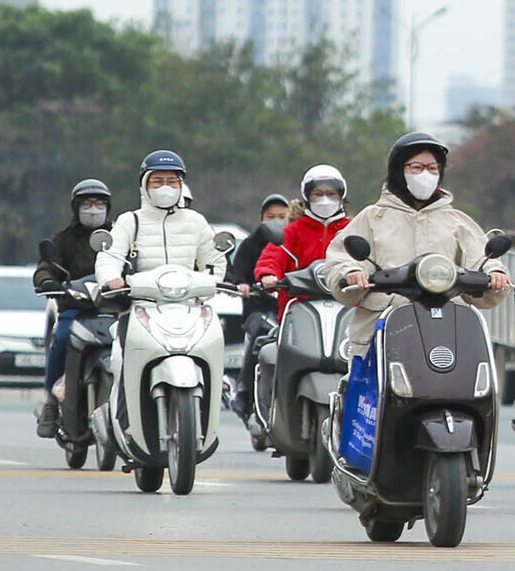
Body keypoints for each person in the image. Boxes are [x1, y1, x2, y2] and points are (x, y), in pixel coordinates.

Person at [322, 132, 510, 360]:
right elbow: (340, 258)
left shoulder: (456, 220)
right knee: (365, 393)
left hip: (448, 330)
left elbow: (483, 259)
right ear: (398, 171)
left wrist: (495, 274)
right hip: (380, 334)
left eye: (432, 168)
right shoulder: (372, 217)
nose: (426, 174)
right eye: (416, 167)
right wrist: (350, 272)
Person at [241, 168, 350, 415]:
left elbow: (370, 257)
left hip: (346, 309)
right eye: (318, 194)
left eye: (331, 194)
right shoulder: (294, 231)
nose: (325, 200)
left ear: (342, 196)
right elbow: (273, 255)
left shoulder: (352, 230)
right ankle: (270, 408)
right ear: (306, 198)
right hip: (299, 310)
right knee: (272, 352)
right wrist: (268, 273)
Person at [31, 178, 111, 438]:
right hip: (74, 309)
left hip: (111, 310)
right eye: (87, 203)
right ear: (76, 207)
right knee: (61, 339)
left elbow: (134, 263)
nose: (93, 209)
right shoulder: (62, 239)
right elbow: (46, 266)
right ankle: (51, 404)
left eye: (99, 203)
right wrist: (47, 281)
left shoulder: (119, 237)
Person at [93, 151, 228, 292]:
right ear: (145, 185)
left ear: (180, 184)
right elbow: (110, 256)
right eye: (157, 181)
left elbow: (213, 261)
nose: (165, 187)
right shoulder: (129, 220)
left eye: (172, 181)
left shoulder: (196, 220)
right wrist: (110, 278)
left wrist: (203, 291)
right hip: (142, 302)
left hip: (189, 303)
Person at [225, 192, 295, 417]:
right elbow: (238, 273)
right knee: (260, 335)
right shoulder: (249, 245)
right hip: (259, 307)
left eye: (282, 216)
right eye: (270, 216)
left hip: (290, 307)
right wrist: (243, 284)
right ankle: (245, 391)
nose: (276, 221)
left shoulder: (292, 240)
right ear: (261, 218)